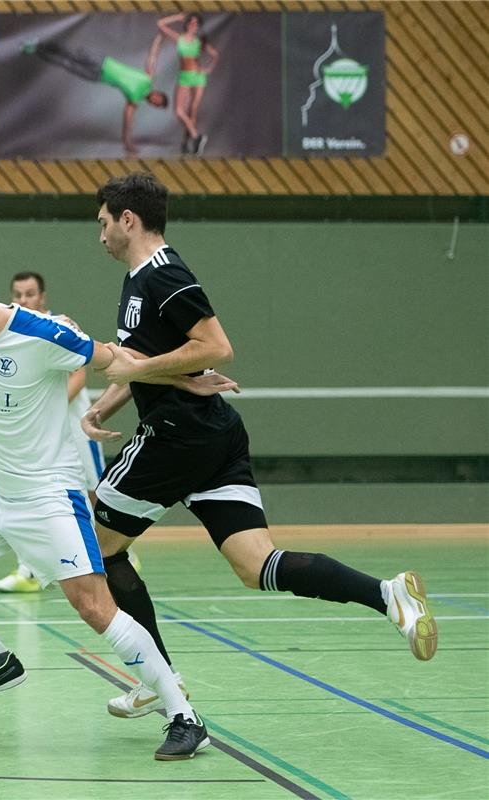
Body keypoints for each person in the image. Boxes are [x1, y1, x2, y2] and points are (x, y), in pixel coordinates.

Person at [82, 172, 438, 720]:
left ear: (128, 220)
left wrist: (143, 369)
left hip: (176, 435)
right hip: (211, 432)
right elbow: (152, 359)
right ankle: (389, 595)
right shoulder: (137, 280)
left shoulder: (163, 273)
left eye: (103, 223)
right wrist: (105, 405)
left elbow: (216, 346)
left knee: (95, 547)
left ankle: (158, 678)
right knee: (256, 566)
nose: (99, 235)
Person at [0, 255, 210, 761]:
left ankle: (184, 717)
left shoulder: (41, 334)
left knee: (95, 608)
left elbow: (117, 359)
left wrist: (182, 376)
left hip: (48, 495)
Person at [0, 270, 140, 593]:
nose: (23, 300)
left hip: (76, 428)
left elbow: (78, 378)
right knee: (35, 495)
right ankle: (29, 570)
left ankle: (120, 550)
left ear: (42, 297)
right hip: (42, 439)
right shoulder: (13, 332)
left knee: (95, 493)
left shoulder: (60, 327)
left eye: (30, 294)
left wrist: (35, 408)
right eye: (18, 295)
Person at [22, 37, 169, 155]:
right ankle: (38, 42)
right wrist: (160, 36)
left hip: (97, 76)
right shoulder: (148, 78)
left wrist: (128, 143)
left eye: (157, 103)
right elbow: (153, 55)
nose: (155, 100)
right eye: (159, 98)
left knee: (65, 63)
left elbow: (127, 120)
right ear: (158, 93)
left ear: (152, 105)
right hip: (102, 61)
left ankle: (34, 49)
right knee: (70, 53)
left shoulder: (134, 100)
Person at [156, 13, 218, 155]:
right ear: (187, 24)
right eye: (191, 21)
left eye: (196, 23)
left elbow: (215, 55)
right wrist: (176, 17)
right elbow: (160, 24)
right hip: (184, 77)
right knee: (179, 111)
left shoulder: (199, 42)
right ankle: (197, 137)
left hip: (198, 77)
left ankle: (187, 144)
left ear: (198, 27)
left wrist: (208, 69)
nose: (192, 24)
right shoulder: (180, 38)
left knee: (192, 111)